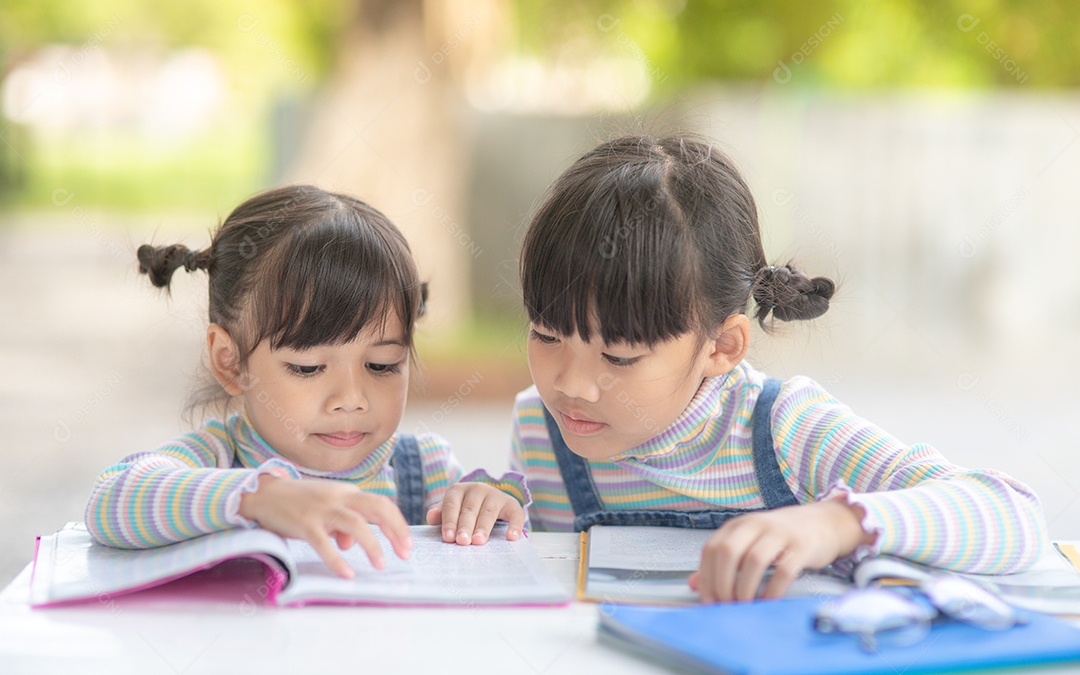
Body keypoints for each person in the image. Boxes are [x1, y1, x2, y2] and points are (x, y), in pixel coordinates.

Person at [511, 135, 1047, 602]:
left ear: (721, 346)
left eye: (619, 357)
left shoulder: (782, 430)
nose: (570, 384)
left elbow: (1012, 515)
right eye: (547, 335)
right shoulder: (544, 427)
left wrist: (840, 523)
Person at [87, 185, 527, 578]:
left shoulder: (424, 470)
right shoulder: (217, 458)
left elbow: (496, 541)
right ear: (230, 361)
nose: (351, 399)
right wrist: (257, 499)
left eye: (382, 365)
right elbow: (109, 501)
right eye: (308, 368)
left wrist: (487, 505)